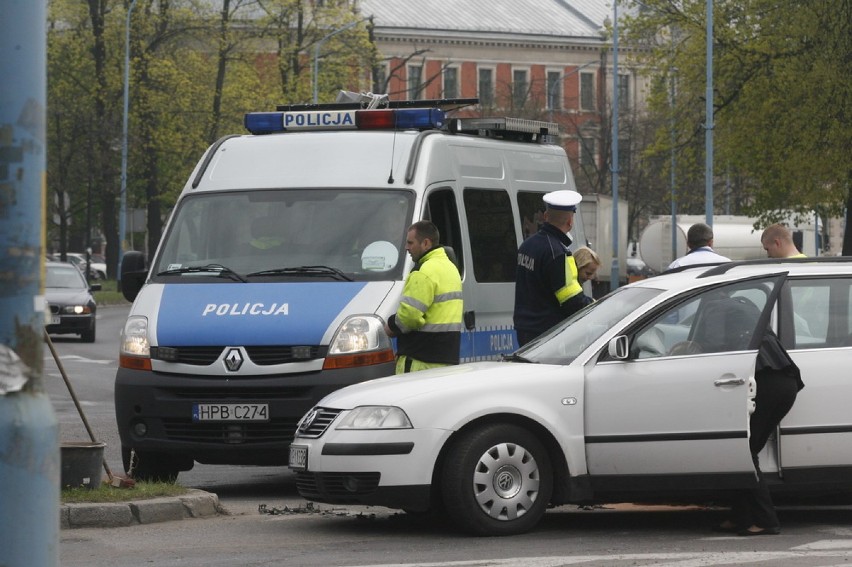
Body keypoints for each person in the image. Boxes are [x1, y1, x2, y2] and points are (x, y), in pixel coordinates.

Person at [716, 328, 804, 536]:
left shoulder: (720, 313)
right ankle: (741, 516)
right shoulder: (749, 316)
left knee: (744, 452)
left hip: (767, 383)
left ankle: (767, 521)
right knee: (744, 451)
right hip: (783, 383)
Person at [513, 190, 593, 347]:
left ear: (545, 216)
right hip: (547, 333)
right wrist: (597, 305)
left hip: (524, 328)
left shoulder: (526, 245)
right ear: (570, 222)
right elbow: (572, 301)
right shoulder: (558, 253)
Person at [383, 220, 463, 374]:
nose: (406, 248)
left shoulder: (423, 271)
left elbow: (409, 316)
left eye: (410, 243)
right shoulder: (451, 268)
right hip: (446, 362)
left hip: (420, 363)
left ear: (426, 243)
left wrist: (390, 326)